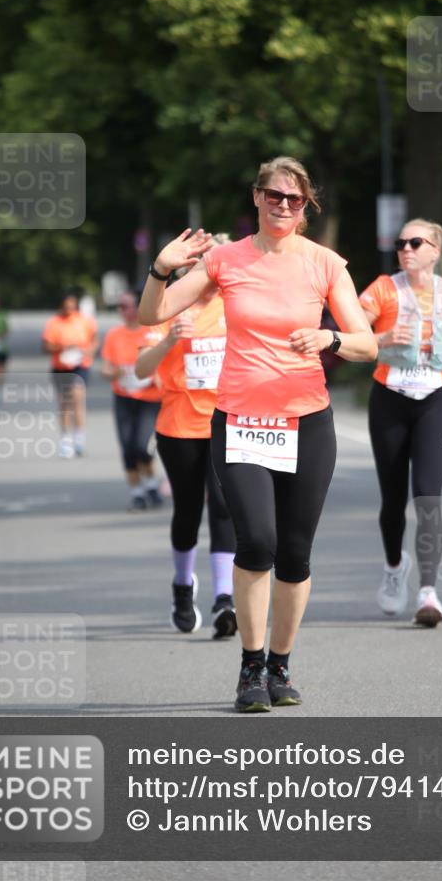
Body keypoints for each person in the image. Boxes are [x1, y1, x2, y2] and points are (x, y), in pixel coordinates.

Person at [139, 156, 377, 712]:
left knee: (295, 552)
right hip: (242, 421)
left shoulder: (324, 264)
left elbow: (367, 343)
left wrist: (330, 340)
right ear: (256, 198)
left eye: (294, 199)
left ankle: (281, 665)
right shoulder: (226, 259)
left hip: (307, 421)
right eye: (274, 195)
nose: (283, 206)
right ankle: (250, 669)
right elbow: (154, 314)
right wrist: (160, 268)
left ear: (306, 206)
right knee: (257, 542)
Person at [360, 219, 442, 627]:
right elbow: (353, 333)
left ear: (435, 250)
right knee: (393, 499)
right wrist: (382, 339)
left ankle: (428, 593)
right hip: (390, 399)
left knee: (428, 495)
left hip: (436, 398)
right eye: (401, 243)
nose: (406, 249)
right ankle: (395, 568)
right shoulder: (382, 289)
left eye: (415, 242)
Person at [135, 235, 237, 638]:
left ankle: (224, 598)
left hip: (228, 423)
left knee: (226, 508)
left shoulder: (235, 306)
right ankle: (182, 585)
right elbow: (142, 369)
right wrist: (171, 338)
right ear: (186, 269)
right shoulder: (167, 306)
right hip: (179, 427)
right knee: (188, 511)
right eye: (201, 265)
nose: (210, 275)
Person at [100, 291, 166, 511]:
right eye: (119, 306)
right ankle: (138, 493)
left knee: (142, 446)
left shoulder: (152, 331)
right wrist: (115, 373)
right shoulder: (114, 334)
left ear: (138, 307)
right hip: (124, 396)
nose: (122, 310)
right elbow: (106, 369)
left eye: (125, 306)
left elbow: (164, 364)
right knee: (128, 448)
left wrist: (152, 376)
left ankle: (151, 485)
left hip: (150, 397)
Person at [42, 291, 98, 458]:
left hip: (80, 365)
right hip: (61, 366)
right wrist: (63, 347)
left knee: (78, 400)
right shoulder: (54, 323)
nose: (70, 310)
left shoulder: (84, 321)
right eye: (66, 307)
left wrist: (90, 351)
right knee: (65, 404)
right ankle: (66, 441)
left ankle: (79, 438)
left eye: (72, 306)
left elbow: (94, 340)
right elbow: (45, 347)